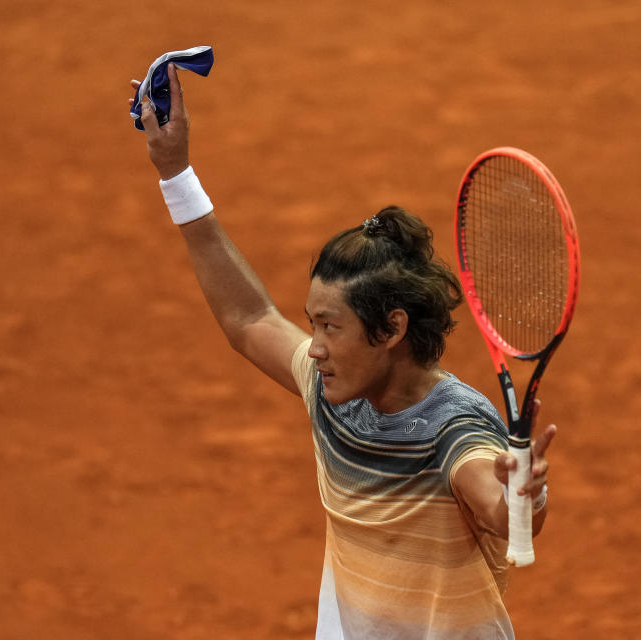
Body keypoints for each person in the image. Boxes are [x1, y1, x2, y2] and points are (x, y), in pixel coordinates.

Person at [128, 63, 556, 640]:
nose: (317, 349)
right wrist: (176, 174)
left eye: (331, 328)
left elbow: (495, 505)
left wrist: (521, 498)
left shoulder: (453, 426)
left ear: (391, 329)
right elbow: (249, 317)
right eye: (313, 326)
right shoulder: (333, 392)